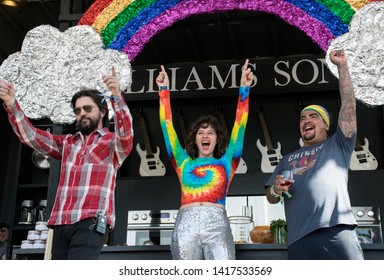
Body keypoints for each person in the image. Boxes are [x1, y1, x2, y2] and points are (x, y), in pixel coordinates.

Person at [0, 67, 133, 260]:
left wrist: (117, 96)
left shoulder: (112, 143)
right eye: (78, 110)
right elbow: (31, 136)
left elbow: (127, 133)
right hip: (61, 221)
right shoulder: (67, 143)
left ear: (103, 112)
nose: (82, 113)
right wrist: (12, 104)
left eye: (88, 108)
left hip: (92, 219)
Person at [265, 50, 364, 260]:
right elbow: (271, 198)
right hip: (299, 238)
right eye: (302, 118)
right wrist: (275, 189)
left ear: (326, 125)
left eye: (313, 116)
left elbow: (348, 107)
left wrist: (343, 67)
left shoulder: (338, 145)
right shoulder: (286, 159)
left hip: (337, 229)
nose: (306, 120)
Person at [156, 59, 253, 260]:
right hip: (186, 225)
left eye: (210, 132)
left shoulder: (227, 163)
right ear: (194, 138)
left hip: (217, 224)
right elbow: (167, 126)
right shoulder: (183, 162)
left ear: (217, 138)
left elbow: (239, 124)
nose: (206, 136)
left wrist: (244, 89)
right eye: (201, 133)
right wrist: (163, 91)